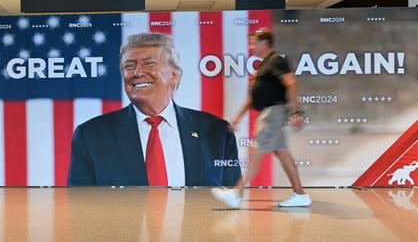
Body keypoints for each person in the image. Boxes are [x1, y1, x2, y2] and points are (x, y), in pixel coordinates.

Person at [68, 32, 241, 186]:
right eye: (129, 65)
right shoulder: (90, 136)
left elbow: (230, 201)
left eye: (149, 63)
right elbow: (79, 208)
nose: (137, 72)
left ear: (174, 75)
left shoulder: (217, 132)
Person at [211, 28, 311, 208]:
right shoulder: (264, 65)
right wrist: (237, 118)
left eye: (254, 43)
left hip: (272, 113)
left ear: (265, 42)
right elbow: (253, 97)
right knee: (283, 154)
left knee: (255, 152)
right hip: (268, 112)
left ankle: (237, 193)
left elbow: (292, 83)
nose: (251, 47)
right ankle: (300, 194)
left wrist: (297, 112)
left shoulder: (276, 60)